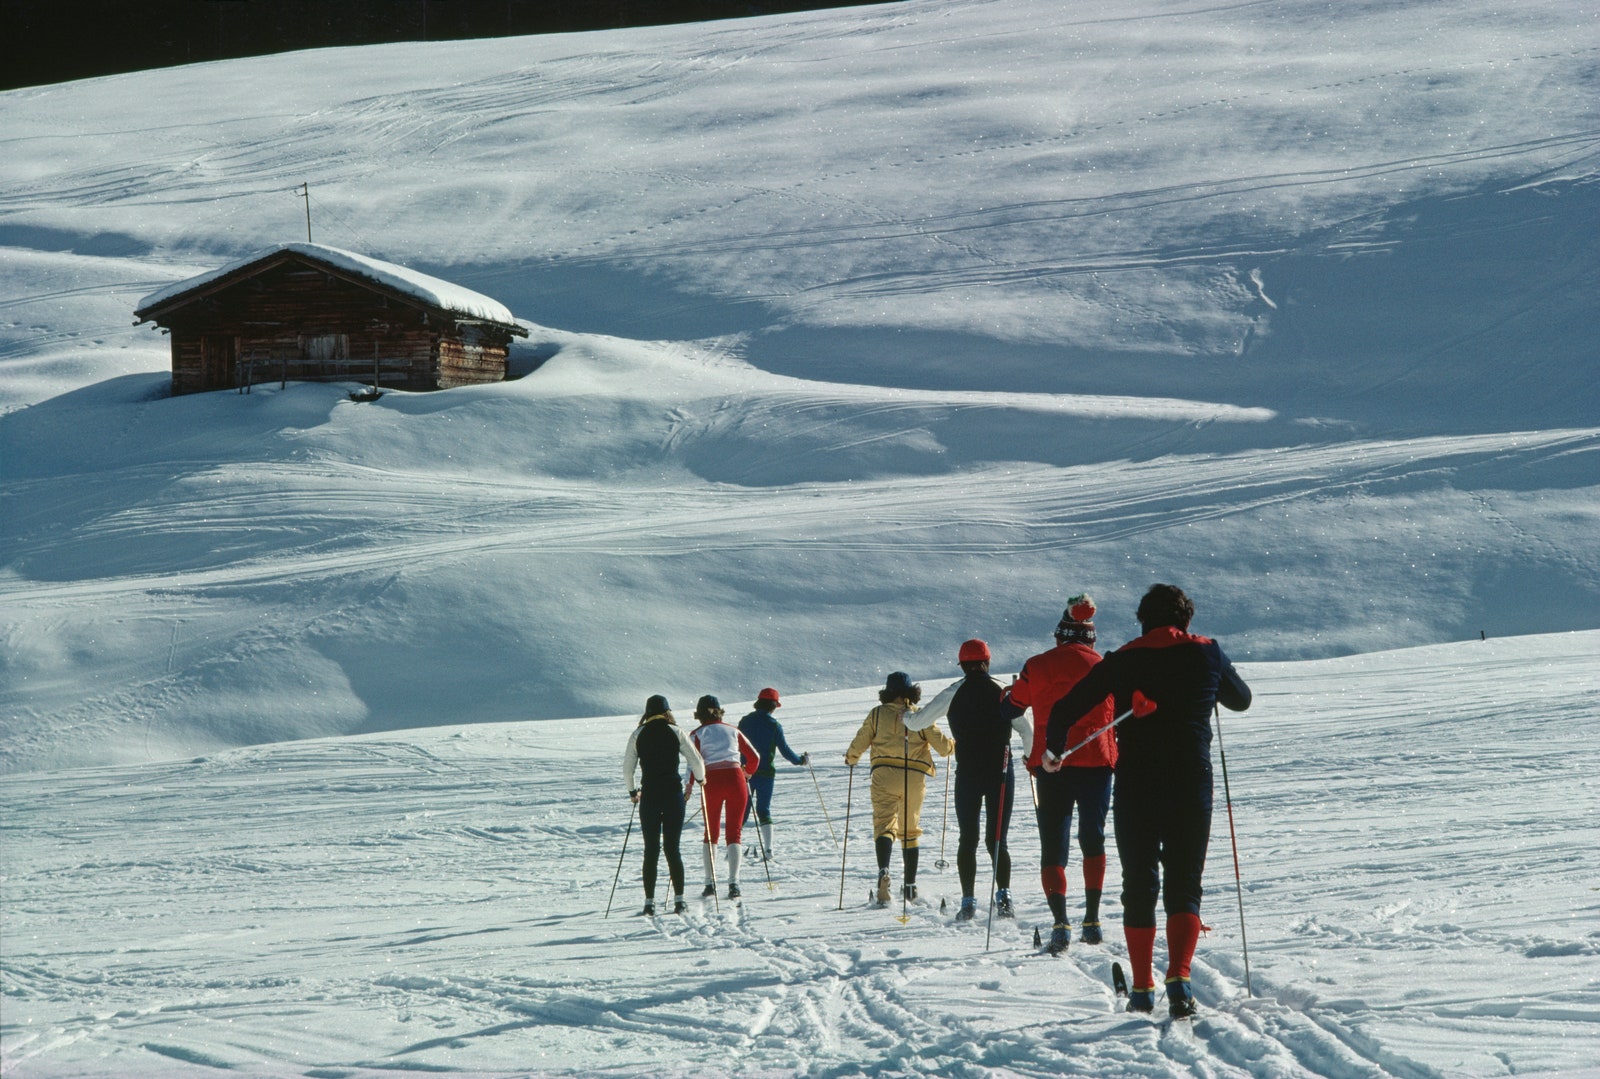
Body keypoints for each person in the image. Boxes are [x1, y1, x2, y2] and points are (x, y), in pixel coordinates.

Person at [1042, 583, 1252, 1019]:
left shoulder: (1123, 659)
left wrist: (1054, 751)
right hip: (1191, 783)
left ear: (1143, 620)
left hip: (1137, 785)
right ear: (1186, 619)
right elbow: (1241, 700)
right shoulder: (1207, 651)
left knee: (1139, 884)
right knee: (1183, 884)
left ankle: (1142, 988)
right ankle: (1179, 977)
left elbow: (1066, 708)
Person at [1002, 594, 1117, 955]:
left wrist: (1009, 695)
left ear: (1060, 635)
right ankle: (1093, 919)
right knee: (1092, 839)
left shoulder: (1037, 665)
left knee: (1054, 844)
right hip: (1097, 763)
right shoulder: (1104, 666)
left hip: (1052, 764)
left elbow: (1013, 706)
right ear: (1090, 637)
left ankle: (1060, 921)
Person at [844, 671, 955, 905]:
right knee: (910, 829)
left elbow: (861, 740)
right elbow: (943, 747)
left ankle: (884, 869)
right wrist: (953, 745)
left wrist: (852, 757)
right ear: (910, 692)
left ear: (887, 691)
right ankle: (910, 886)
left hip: (883, 774)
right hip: (914, 777)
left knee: (884, 824)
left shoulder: (876, 714)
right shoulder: (918, 715)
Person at [946, 639, 1032, 923]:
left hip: (968, 775)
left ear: (962, 665)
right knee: (997, 840)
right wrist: (1030, 758)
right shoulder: (1001, 692)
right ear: (987, 662)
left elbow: (919, 722)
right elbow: (1024, 730)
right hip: (1001, 773)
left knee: (967, 839)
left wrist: (906, 717)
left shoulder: (954, 692)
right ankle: (1003, 896)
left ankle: (968, 900)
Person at [622, 694, 707, 916]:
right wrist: (701, 779)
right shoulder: (675, 731)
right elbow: (696, 760)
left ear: (647, 712)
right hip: (672, 794)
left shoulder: (638, 734)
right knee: (672, 848)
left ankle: (649, 902)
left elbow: (627, 768)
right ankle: (679, 900)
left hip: (649, 795)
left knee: (650, 850)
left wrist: (633, 792)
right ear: (667, 711)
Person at [688, 694, 761, 899]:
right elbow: (755, 757)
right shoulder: (733, 731)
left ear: (699, 713)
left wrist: (689, 785)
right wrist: (747, 773)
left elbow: (693, 763)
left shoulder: (696, 734)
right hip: (736, 779)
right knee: (734, 832)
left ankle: (710, 883)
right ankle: (734, 883)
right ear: (720, 711)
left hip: (710, 781)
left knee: (711, 833)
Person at [737, 687, 810, 861]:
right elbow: (785, 751)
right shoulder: (775, 726)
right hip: (766, 774)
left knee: (741, 811)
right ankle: (768, 851)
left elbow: (736, 745)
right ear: (772, 706)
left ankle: (733, 850)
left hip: (745, 772)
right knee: (764, 810)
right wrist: (800, 761)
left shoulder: (745, 722)